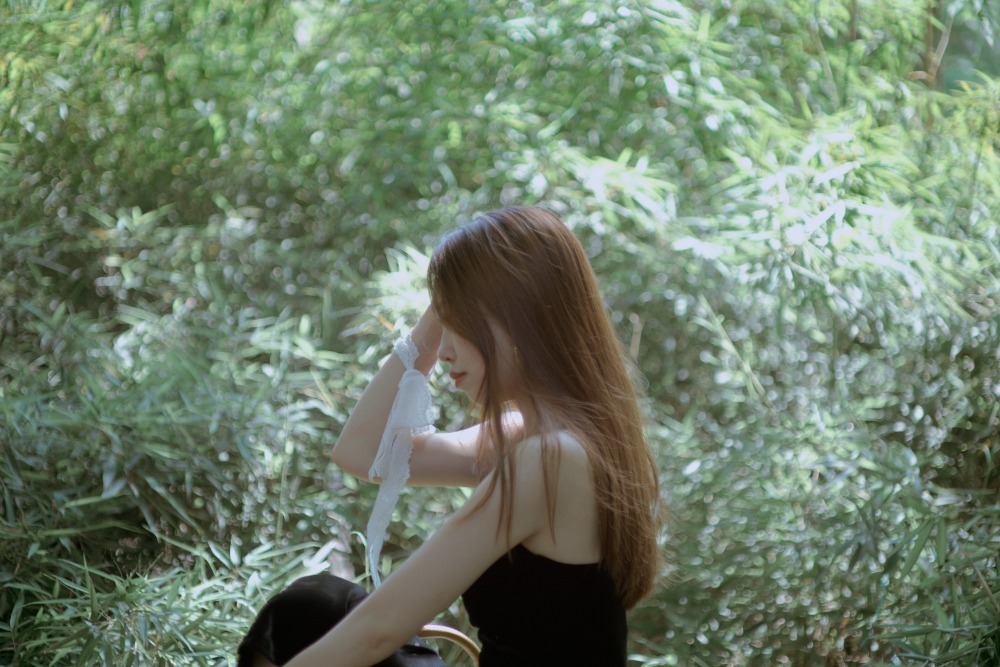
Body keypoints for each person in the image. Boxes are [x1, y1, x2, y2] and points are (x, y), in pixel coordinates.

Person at [283, 206, 662, 667]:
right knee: (311, 606)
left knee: (311, 618)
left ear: (522, 318)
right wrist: (440, 303)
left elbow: (379, 629)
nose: (443, 351)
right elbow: (361, 453)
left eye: (460, 320)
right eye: (443, 322)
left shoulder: (551, 459)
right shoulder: (541, 437)